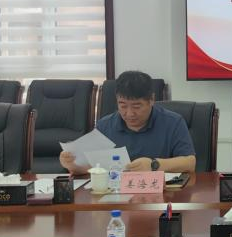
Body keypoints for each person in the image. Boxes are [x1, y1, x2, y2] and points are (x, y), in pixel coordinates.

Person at [60, 71, 196, 174]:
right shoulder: (105, 126)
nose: (129, 113)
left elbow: (190, 163)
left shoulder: (173, 122)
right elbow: (92, 167)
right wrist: (72, 165)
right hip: (116, 195)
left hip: (160, 195)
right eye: (123, 105)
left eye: (137, 106)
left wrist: (154, 165)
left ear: (151, 100)